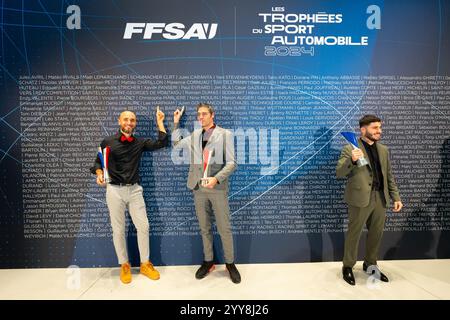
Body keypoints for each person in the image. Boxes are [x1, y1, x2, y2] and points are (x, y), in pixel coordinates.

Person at [90, 108, 168, 284]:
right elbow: (97, 162)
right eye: (126, 119)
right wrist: (99, 173)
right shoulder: (107, 142)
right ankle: (124, 264)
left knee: (144, 226)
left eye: (132, 120)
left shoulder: (139, 142)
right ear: (119, 121)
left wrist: (160, 122)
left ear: (135, 124)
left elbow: (161, 143)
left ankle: (145, 263)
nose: (129, 122)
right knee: (118, 230)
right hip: (114, 191)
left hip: (134, 190)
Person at [172, 103, 241, 284]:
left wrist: (216, 179)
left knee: (224, 227)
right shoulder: (194, 135)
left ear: (212, 115)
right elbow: (177, 144)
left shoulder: (225, 134)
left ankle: (230, 263)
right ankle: (209, 261)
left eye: (204, 114)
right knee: (204, 227)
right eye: (198, 115)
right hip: (198, 188)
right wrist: (176, 123)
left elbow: (232, 163)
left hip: (216, 188)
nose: (200, 117)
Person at [336, 115, 403, 286]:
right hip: (360, 199)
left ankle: (370, 264)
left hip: (381, 198)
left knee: (376, 234)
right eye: (375, 128)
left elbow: (388, 176)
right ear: (363, 129)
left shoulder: (384, 150)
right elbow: (340, 173)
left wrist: (395, 196)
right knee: (354, 234)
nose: (379, 131)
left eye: (380, 128)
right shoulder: (350, 148)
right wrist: (352, 160)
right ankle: (348, 266)